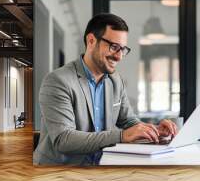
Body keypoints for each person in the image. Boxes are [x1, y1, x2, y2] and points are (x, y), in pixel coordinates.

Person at [33, 13, 178, 166]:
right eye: (114, 47)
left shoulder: (116, 80)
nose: (119, 56)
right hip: (59, 172)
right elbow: (64, 140)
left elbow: (128, 121)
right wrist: (121, 136)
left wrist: (153, 130)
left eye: (123, 49)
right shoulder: (58, 81)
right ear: (91, 41)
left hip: (100, 165)